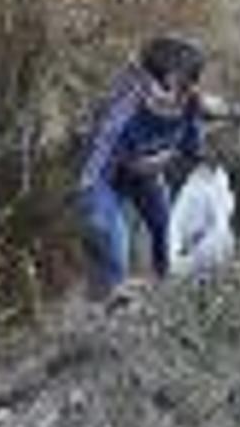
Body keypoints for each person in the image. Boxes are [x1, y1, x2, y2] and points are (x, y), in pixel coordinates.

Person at [79, 35, 206, 300]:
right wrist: (91, 196)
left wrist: (160, 160)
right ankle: (109, 300)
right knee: (110, 239)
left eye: (189, 80)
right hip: (107, 176)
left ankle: (164, 284)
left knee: (162, 226)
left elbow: (192, 150)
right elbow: (98, 158)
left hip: (147, 173)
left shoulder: (190, 101)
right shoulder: (124, 104)